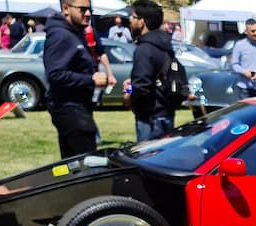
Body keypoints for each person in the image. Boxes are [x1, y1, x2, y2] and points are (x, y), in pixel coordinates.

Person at [44, 0, 109, 157]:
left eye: (89, 10)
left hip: (78, 107)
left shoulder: (75, 33)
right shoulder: (61, 35)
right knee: (87, 165)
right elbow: (55, 74)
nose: (88, 14)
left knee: (73, 165)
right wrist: (91, 80)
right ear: (66, 9)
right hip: (69, 108)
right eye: (82, 9)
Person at [125, 0, 175, 142]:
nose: (130, 20)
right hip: (166, 113)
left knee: (147, 158)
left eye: (133, 17)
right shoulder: (165, 44)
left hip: (150, 118)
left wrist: (130, 96)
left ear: (142, 22)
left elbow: (142, 86)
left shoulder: (145, 48)